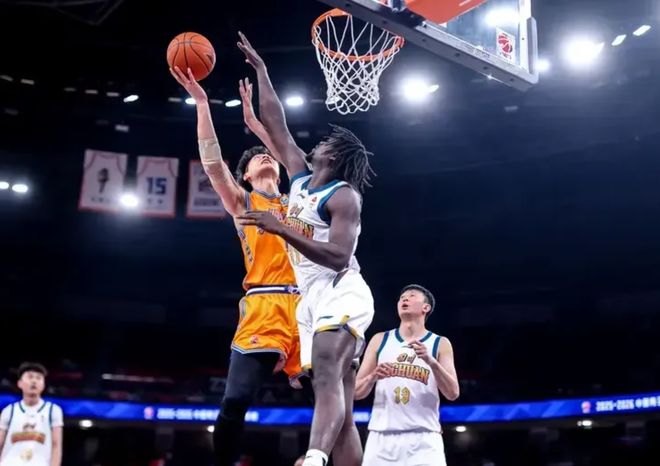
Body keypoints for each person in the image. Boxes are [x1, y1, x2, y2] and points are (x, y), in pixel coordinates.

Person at [236, 32, 375, 466]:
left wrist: (281, 229)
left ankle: (314, 458)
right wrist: (262, 70)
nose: (317, 143)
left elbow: (337, 256)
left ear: (332, 157)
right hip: (308, 299)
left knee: (329, 369)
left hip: (341, 288)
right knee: (339, 406)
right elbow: (275, 124)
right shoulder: (298, 177)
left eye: (326, 143)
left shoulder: (343, 196)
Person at [169, 66, 303, 466]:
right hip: (265, 305)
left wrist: (259, 126)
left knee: (334, 395)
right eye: (255, 158)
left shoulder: (301, 201)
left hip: (310, 307)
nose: (265, 156)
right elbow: (213, 165)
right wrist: (202, 104)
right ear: (245, 175)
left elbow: (290, 152)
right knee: (236, 400)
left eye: (269, 156)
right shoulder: (244, 203)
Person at [355, 285, 460, 466]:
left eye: (411, 296)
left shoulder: (440, 343)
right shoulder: (380, 339)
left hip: (425, 438)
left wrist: (431, 361)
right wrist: (372, 376)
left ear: (426, 307)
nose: (404, 299)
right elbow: (355, 393)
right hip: (381, 437)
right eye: (402, 297)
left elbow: (453, 393)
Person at [0, 362, 63, 466]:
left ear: (43, 384)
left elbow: (56, 445)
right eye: (30, 377)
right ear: (19, 383)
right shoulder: (8, 411)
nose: (34, 381)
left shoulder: (53, 410)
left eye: (38, 378)